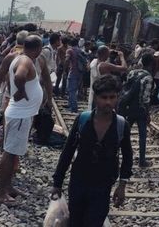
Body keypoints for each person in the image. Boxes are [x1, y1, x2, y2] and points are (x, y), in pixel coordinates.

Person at [52, 75, 132, 226]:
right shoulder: (83, 120)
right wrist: (57, 182)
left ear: (117, 98)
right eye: (104, 97)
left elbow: (128, 157)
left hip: (103, 185)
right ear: (96, 97)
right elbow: (68, 151)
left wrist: (122, 186)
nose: (108, 102)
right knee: (75, 221)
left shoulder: (121, 125)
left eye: (112, 97)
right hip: (79, 182)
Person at [0, 36, 44, 205]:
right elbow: (20, 76)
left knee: (12, 151)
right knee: (9, 153)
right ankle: (0, 193)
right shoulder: (25, 61)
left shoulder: (19, 57)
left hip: (20, 114)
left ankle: (8, 187)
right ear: (37, 48)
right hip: (20, 115)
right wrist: (21, 92)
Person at [123, 54, 154, 168]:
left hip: (129, 108)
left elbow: (126, 90)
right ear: (150, 64)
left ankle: (114, 154)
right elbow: (146, 98)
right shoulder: (148, 77)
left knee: (124, 132)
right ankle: (142, 160)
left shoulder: (132, 72)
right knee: (142, 135)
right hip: (140, 110)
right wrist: (148, 113)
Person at [65, 38, 83, 113]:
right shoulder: (80, 50)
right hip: (80, 72)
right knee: (74, 90)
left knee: (71, 90)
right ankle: (70, 104)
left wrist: (64, 69)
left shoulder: (70, 50)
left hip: (73, 72)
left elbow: (67, 60)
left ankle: (74, 108)